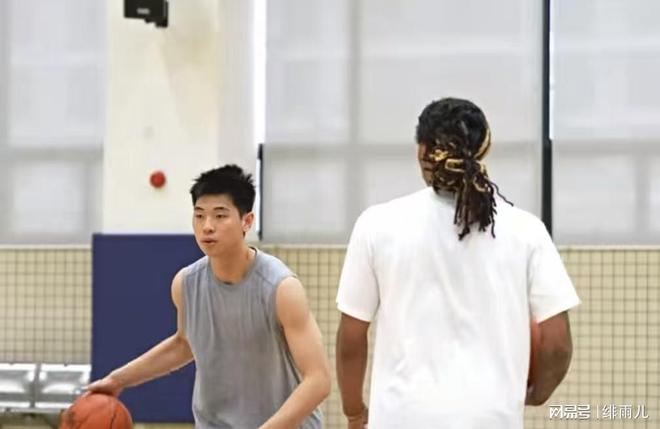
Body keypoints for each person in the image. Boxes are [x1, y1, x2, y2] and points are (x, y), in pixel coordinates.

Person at [335, 98, 580, 429]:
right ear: (483, 150)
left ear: (422, 151)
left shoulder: (376, 224)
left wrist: (354, 412)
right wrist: (537, 393)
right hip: (492, 420)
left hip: (401, 417)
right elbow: (557, 342)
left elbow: (352, 337)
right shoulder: (527, 230)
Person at [88, 165, 330, 429]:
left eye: (220, 216)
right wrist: (117, 380)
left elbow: (318, 380)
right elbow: (184, 344)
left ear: (247, 221)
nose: (207, 227)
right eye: (199, 216)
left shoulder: (281, 288)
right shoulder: (185, 283)